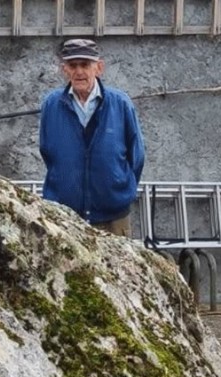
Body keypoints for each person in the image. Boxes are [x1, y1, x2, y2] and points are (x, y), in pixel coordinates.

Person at [39, 38, 145, 237]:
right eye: (73, 65)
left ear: (99, 68)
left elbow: (136, 156)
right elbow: (47, 152)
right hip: (65, 217)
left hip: (113, 217)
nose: (79, 71)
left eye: (85, 65)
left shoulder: (120, 103)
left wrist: (119, 188)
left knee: (116, 268)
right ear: (65, 70)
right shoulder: (51, 105)